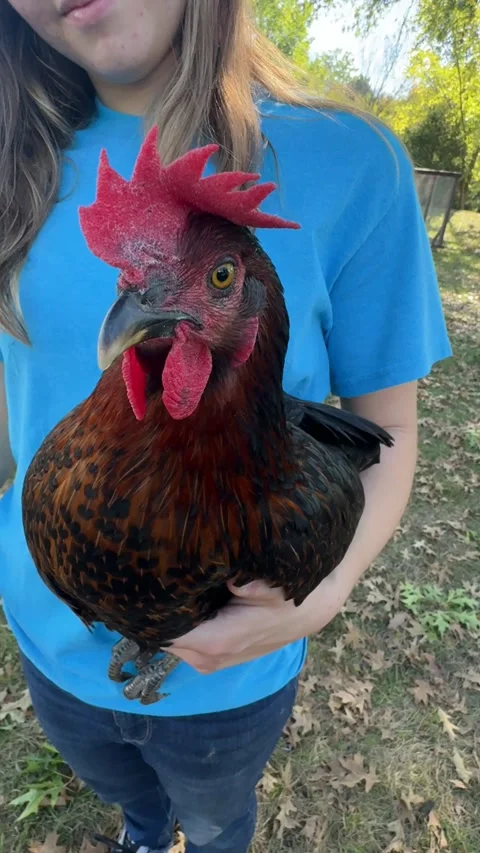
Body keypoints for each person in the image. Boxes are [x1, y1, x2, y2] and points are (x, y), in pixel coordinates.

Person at [0, 1, 451, 851]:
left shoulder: (355, 164)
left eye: (209, 276)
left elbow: (387, 427)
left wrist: (319, 599)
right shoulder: (9, 161)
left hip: (233, 685)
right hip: (50, 638)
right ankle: (142, 828)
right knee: (122, 787)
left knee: (213, 812)